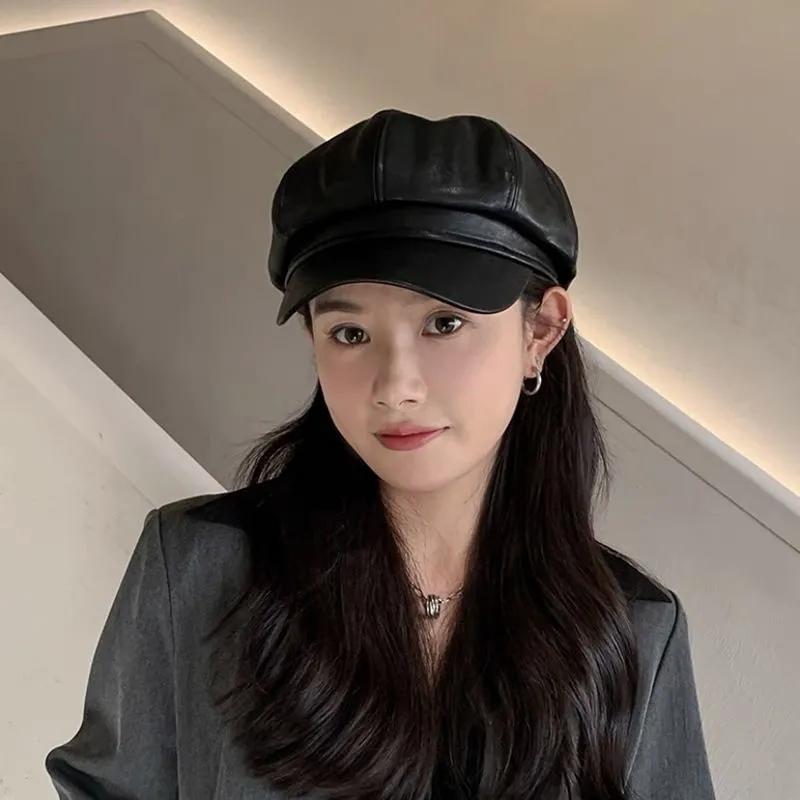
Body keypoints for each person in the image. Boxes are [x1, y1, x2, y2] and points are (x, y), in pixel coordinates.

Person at [45, 108, 716, 799]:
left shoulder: (634, 631)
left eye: (444, 323)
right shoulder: (196, 567)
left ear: (540, 331)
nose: (396, 387)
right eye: (350, 334)